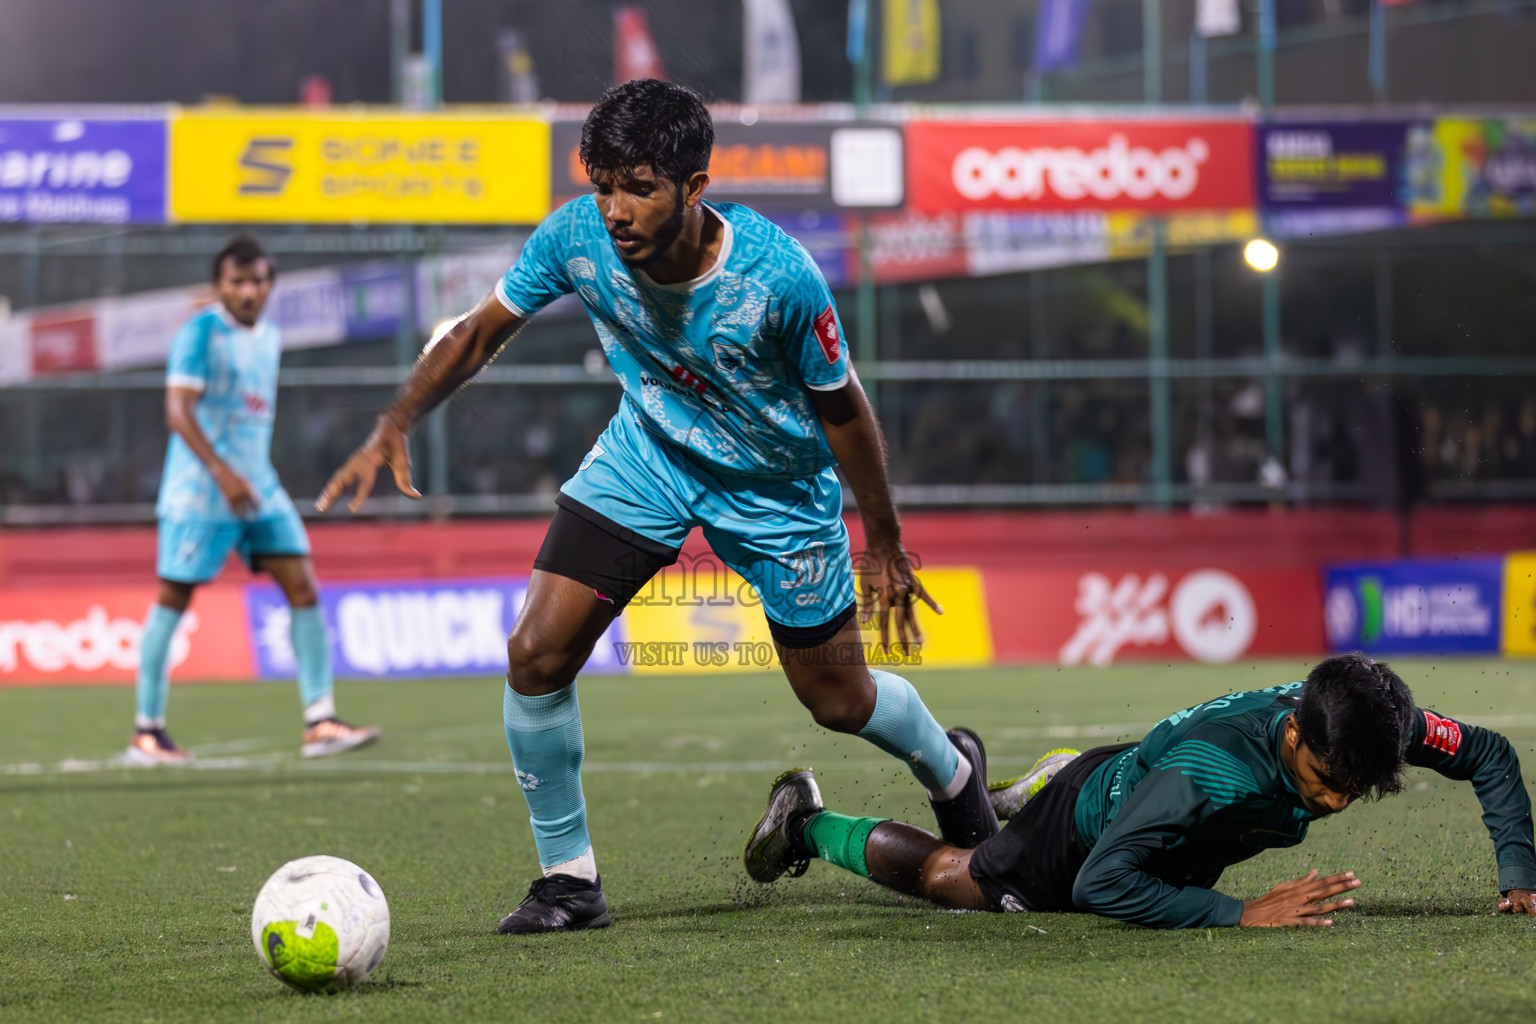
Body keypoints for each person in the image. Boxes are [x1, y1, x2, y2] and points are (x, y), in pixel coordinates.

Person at [315, 79, 997, 934]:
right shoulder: (574, 238)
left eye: (638, 187)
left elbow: (844, 410)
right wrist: (396, 418)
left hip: (777, 490)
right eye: (603, 184)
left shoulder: (779, 277)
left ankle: (954, 770)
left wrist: (885, 540)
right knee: (536, 654)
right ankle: (569, 882)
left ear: (695, 189)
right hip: (649, 458)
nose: (614, 209)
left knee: (839, 701)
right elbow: (480, 331)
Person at [745, 652, 1536, 927]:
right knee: (954, 877)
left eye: (1356, 791)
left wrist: (1519, 872)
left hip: (1143, 783)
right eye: (1327, 784)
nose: (1335, 803)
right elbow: (1102, 884)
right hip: (1090, 833)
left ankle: (1029, 779)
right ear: (1294, 736)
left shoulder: (1365, 717)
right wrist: (1239, 913)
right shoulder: (1208, 776)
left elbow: (1492, 755)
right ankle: (807, 822)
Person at [127, 236, 380, 766]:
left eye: (258, 281)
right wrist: (223, 473)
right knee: (173, 598)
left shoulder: (269, 335)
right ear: (219, 287)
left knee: (303, 585)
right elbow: (177, 412)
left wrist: (246, 476)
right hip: (201, 493)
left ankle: (320, 720)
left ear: (271, 285)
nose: (248, 291)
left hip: (258, 487)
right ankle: (147, 731)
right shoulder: (200, 332)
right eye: (237, 282)